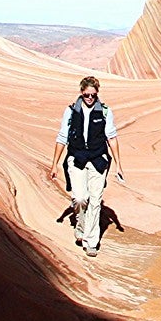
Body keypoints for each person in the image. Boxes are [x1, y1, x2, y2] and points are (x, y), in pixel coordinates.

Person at [53, 75, 122, 256]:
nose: (90, 98)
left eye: (93, 95)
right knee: (80, 198)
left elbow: (112, 138)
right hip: (76, 159)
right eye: (86, 95)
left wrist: (119, 165)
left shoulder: (105, 112)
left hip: (98, 160)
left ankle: (91, 241)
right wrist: (54, 165)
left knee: (95, 200)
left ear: (97, 93)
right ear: (81, 93)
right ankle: (81, 227)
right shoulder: (71, 111)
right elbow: (62, 138)